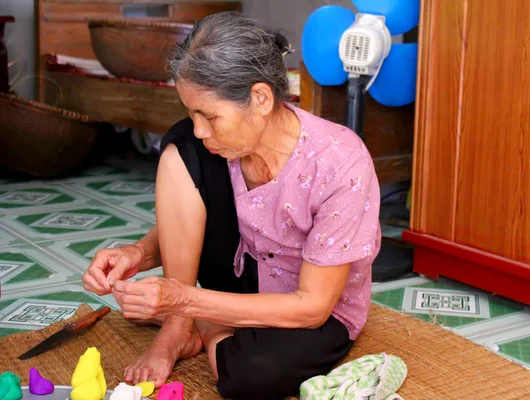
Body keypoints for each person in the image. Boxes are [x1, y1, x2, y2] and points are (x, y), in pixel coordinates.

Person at [82, 11, 381, 400]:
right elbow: (198, 217)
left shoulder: (340, 162)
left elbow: (312, 308)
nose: (201, 128)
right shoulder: (213, 145)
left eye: (209, 116)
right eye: (192, 113)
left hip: (310, 305)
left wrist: (184, 299)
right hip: (241, 274)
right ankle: (177, 329)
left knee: (251, 375)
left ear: (260, 98)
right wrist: (137, 252)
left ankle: (198, 324)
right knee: (182, 146)